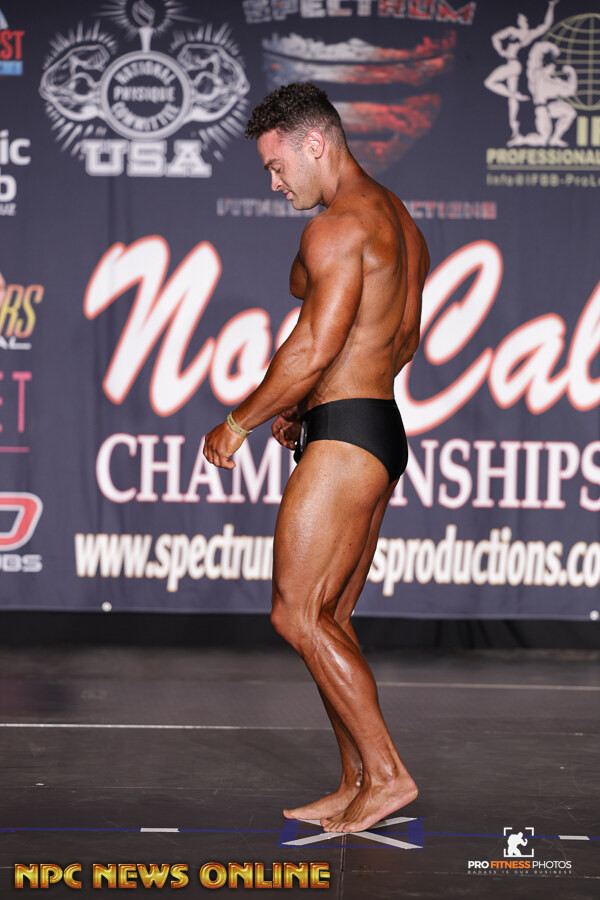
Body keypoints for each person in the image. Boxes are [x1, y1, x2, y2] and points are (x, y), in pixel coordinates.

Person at [203, 82, 429, 834]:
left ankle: (388, 775)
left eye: (277, 166)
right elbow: (399, 341)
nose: (274, 183)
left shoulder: (337, 227)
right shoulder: (398, 222)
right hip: (377, 426)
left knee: (295, 612)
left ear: (315, 143)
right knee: (330, 617)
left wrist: (238, 422)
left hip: (346, 439)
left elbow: (311, 347)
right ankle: (357, 781)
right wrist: (308, 407)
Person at [484, 0, 559, 144]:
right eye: (519, 18)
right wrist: (500, 51)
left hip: (514, 64)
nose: (520, 20)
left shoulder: (523, 33)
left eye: (522, 18)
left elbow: (546, 25)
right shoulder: (514, 31)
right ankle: (515, 130)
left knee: (489, 82)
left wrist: (551, 6)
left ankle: (515, 96)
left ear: (525, 20)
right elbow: (495, 37)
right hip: (514, 64)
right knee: (512, 101)